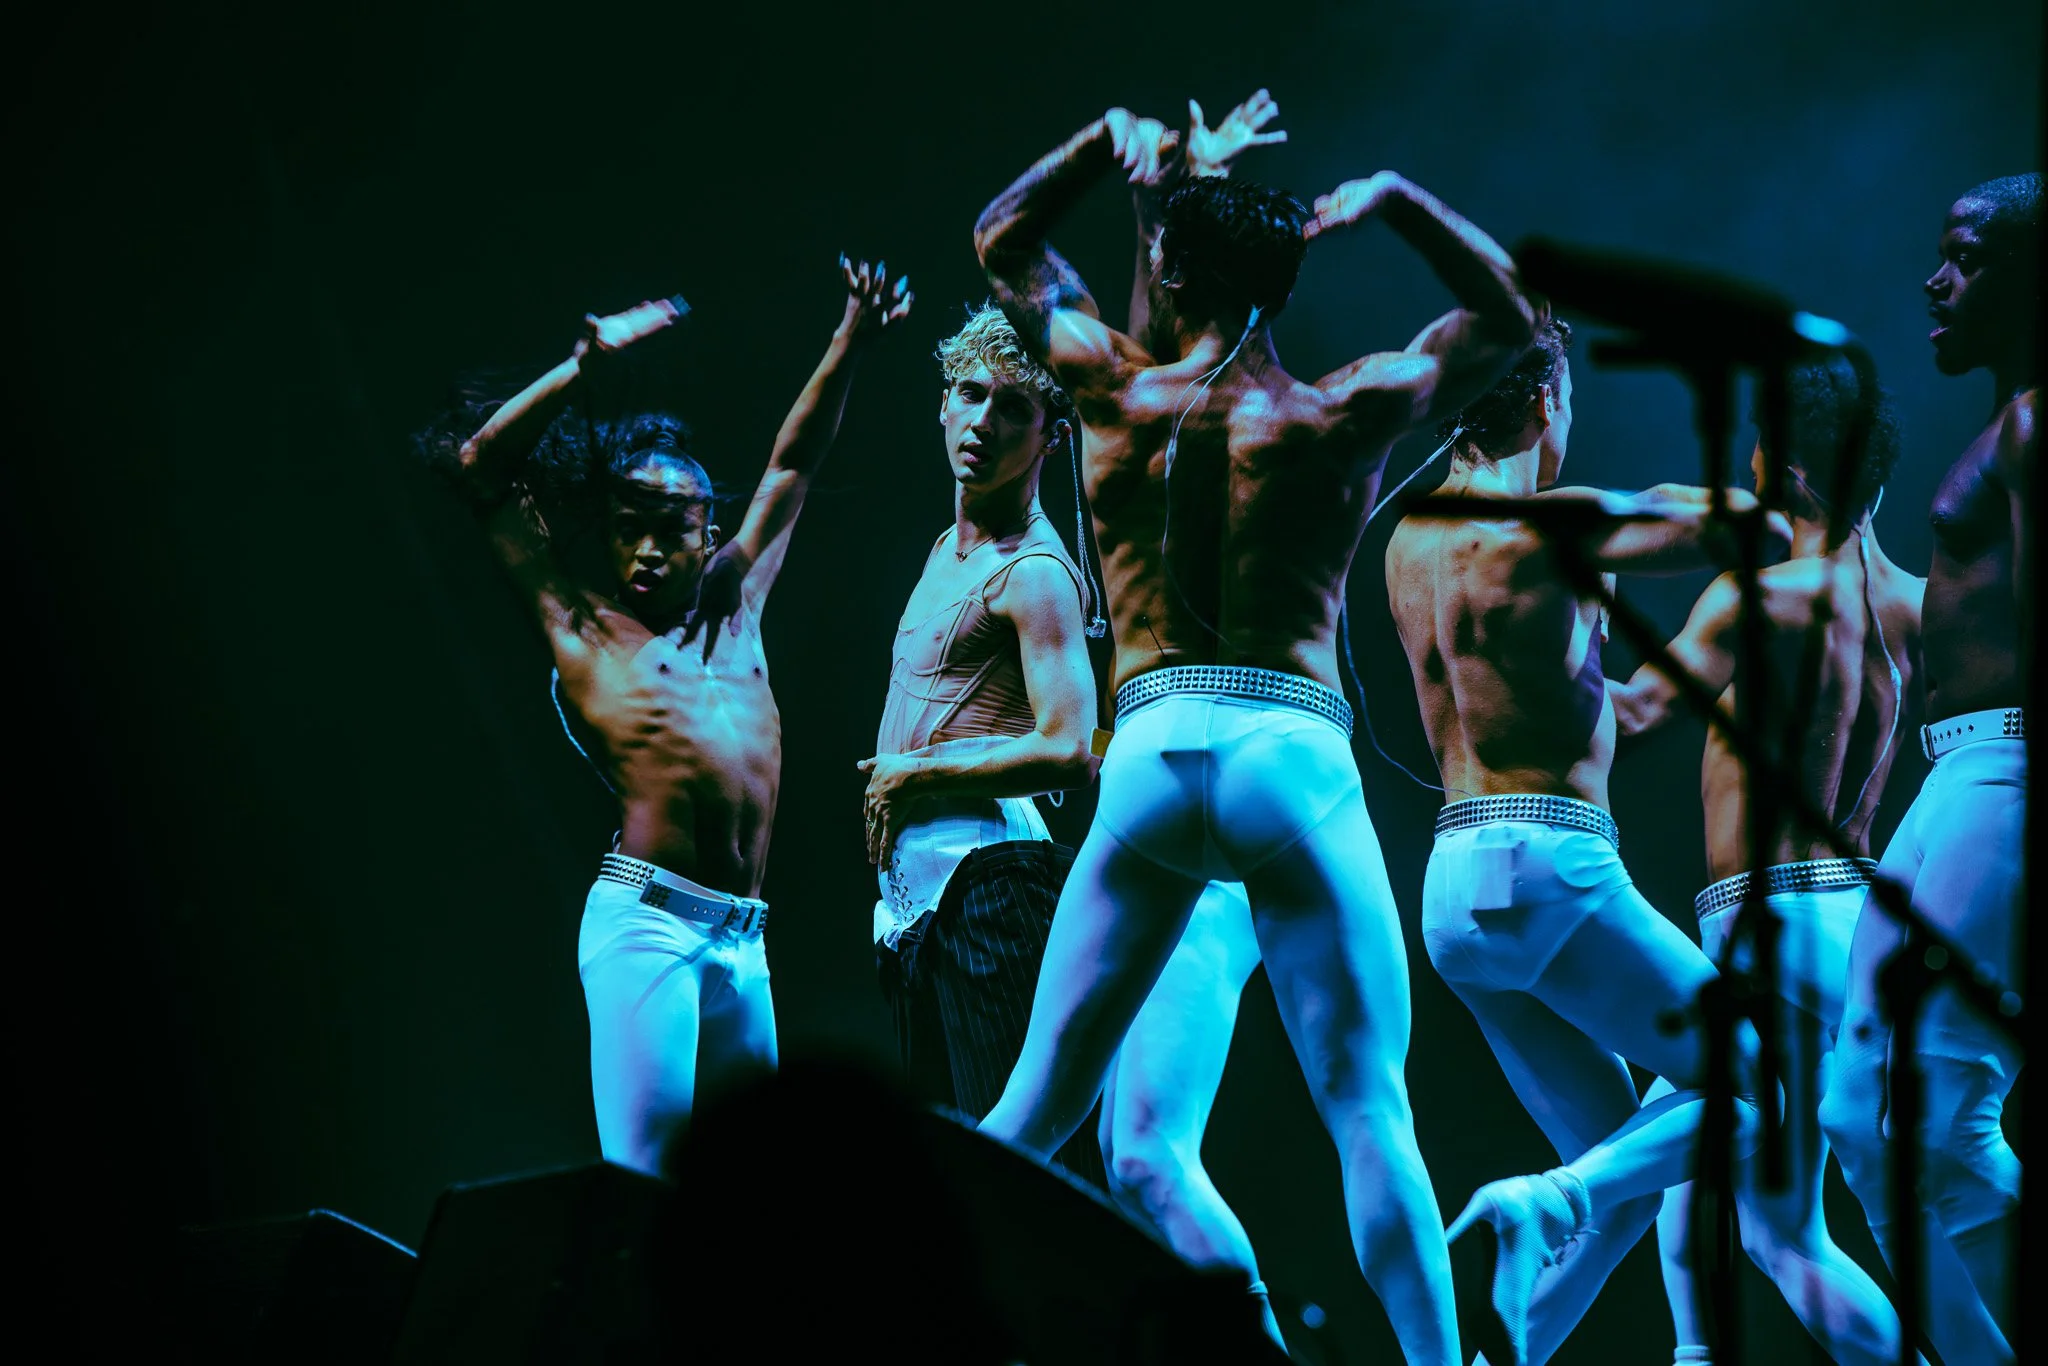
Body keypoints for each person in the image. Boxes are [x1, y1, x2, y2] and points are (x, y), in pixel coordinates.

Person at [972, 101, 1541, 1364]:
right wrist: (1394, 200)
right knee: (1367, 1112)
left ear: (1168, 270)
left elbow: (999, 239)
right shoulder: (1344, 407)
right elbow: (1510, 317)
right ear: (1285, 283)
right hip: (1289, 751)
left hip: (1150, 748)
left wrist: (1098, 142)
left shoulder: (1109, 386)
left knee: (1031, 1114)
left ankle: (907, 1329)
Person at [442, 258, 911, 1176]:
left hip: (746, 938)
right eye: (630, 527)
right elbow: (481, 469)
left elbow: (793, 462)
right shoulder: (584, 629)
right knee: (646, 1182)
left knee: (758, 1191)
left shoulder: (739, 607)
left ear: (709, 534)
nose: (648, 550)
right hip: (646, 926)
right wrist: (583, 366)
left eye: (672, 528)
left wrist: (851, 337)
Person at [1385, 322, 1791, 1365]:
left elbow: (1540, 690)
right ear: (1541, 401)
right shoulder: (1549, 525)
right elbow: (1749, 530)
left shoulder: (1409, 539)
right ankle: (1545, 1199)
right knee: (1757, 1085)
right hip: (1550, 867)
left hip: (1451, 887)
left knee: (1621, 1177)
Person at [1608, 360, 1922, 1366]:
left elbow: (1632, 716)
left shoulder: (1759, 597)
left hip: (1769, 917)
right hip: (1855, 911)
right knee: (1727, 1216)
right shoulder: (1918, 601)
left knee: (1743, 1215)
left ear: (1783, 469)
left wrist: (1540, 627)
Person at [1818, 171, 2037, 1366]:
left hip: (2002, 772)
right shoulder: (2006, 423)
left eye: (1966, 258)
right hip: (1956, 777)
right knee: (1866, 1116)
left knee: (1921, 1120)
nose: (1933, 281)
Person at [1087, 88, 1285, 1343]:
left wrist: (1165, 208)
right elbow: (1149, 364)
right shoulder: (1144, 425)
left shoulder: (1198, 425)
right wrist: (1161, 209)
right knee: (1134, 1159)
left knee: (1143, 1154)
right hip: (1186, 796)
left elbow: (1156, 369)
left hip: (1202, 805)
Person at [860, 300, 1103, 1184]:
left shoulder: (1034, 572)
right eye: (970, 394)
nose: (983, 423)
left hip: (992, 881)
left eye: (1013, 408)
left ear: (1051, 436)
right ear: (942, 402)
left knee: (1025, 1176)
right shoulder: (944, 550)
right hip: (917, 903)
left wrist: (915, 773)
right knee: (948, 1179)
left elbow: (1072, 747)